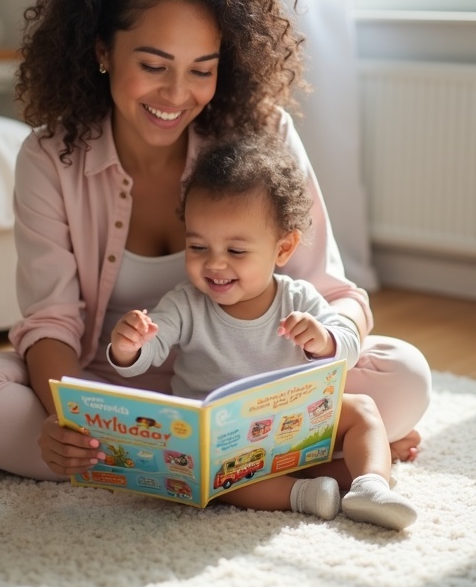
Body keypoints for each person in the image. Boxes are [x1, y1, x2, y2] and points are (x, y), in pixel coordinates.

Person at [0, 0, 431, 485]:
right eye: (154, 66)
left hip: (251, 388)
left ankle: (139, 465)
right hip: (108, 388)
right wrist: (69, 417)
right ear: (103, 51)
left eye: (201, 70)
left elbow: (332, 293)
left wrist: (332, 341)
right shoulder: (50, 156)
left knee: (404, 373)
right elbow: (51, 324)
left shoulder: (264, 135)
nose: (177, 94)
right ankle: (302, 452)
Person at [108, 136, 418, 529]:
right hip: (229, 444)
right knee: (208, 477)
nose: (215, 264)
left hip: (296, 425)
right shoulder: (185, 303)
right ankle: (303, 495)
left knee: (363, 411)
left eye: (236, 251)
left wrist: (323, 340)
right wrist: (128, 347)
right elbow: (148, 349)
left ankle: (371, 487)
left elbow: (347, 341)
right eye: (198, 247)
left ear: (283, 248)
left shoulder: (297, 297)